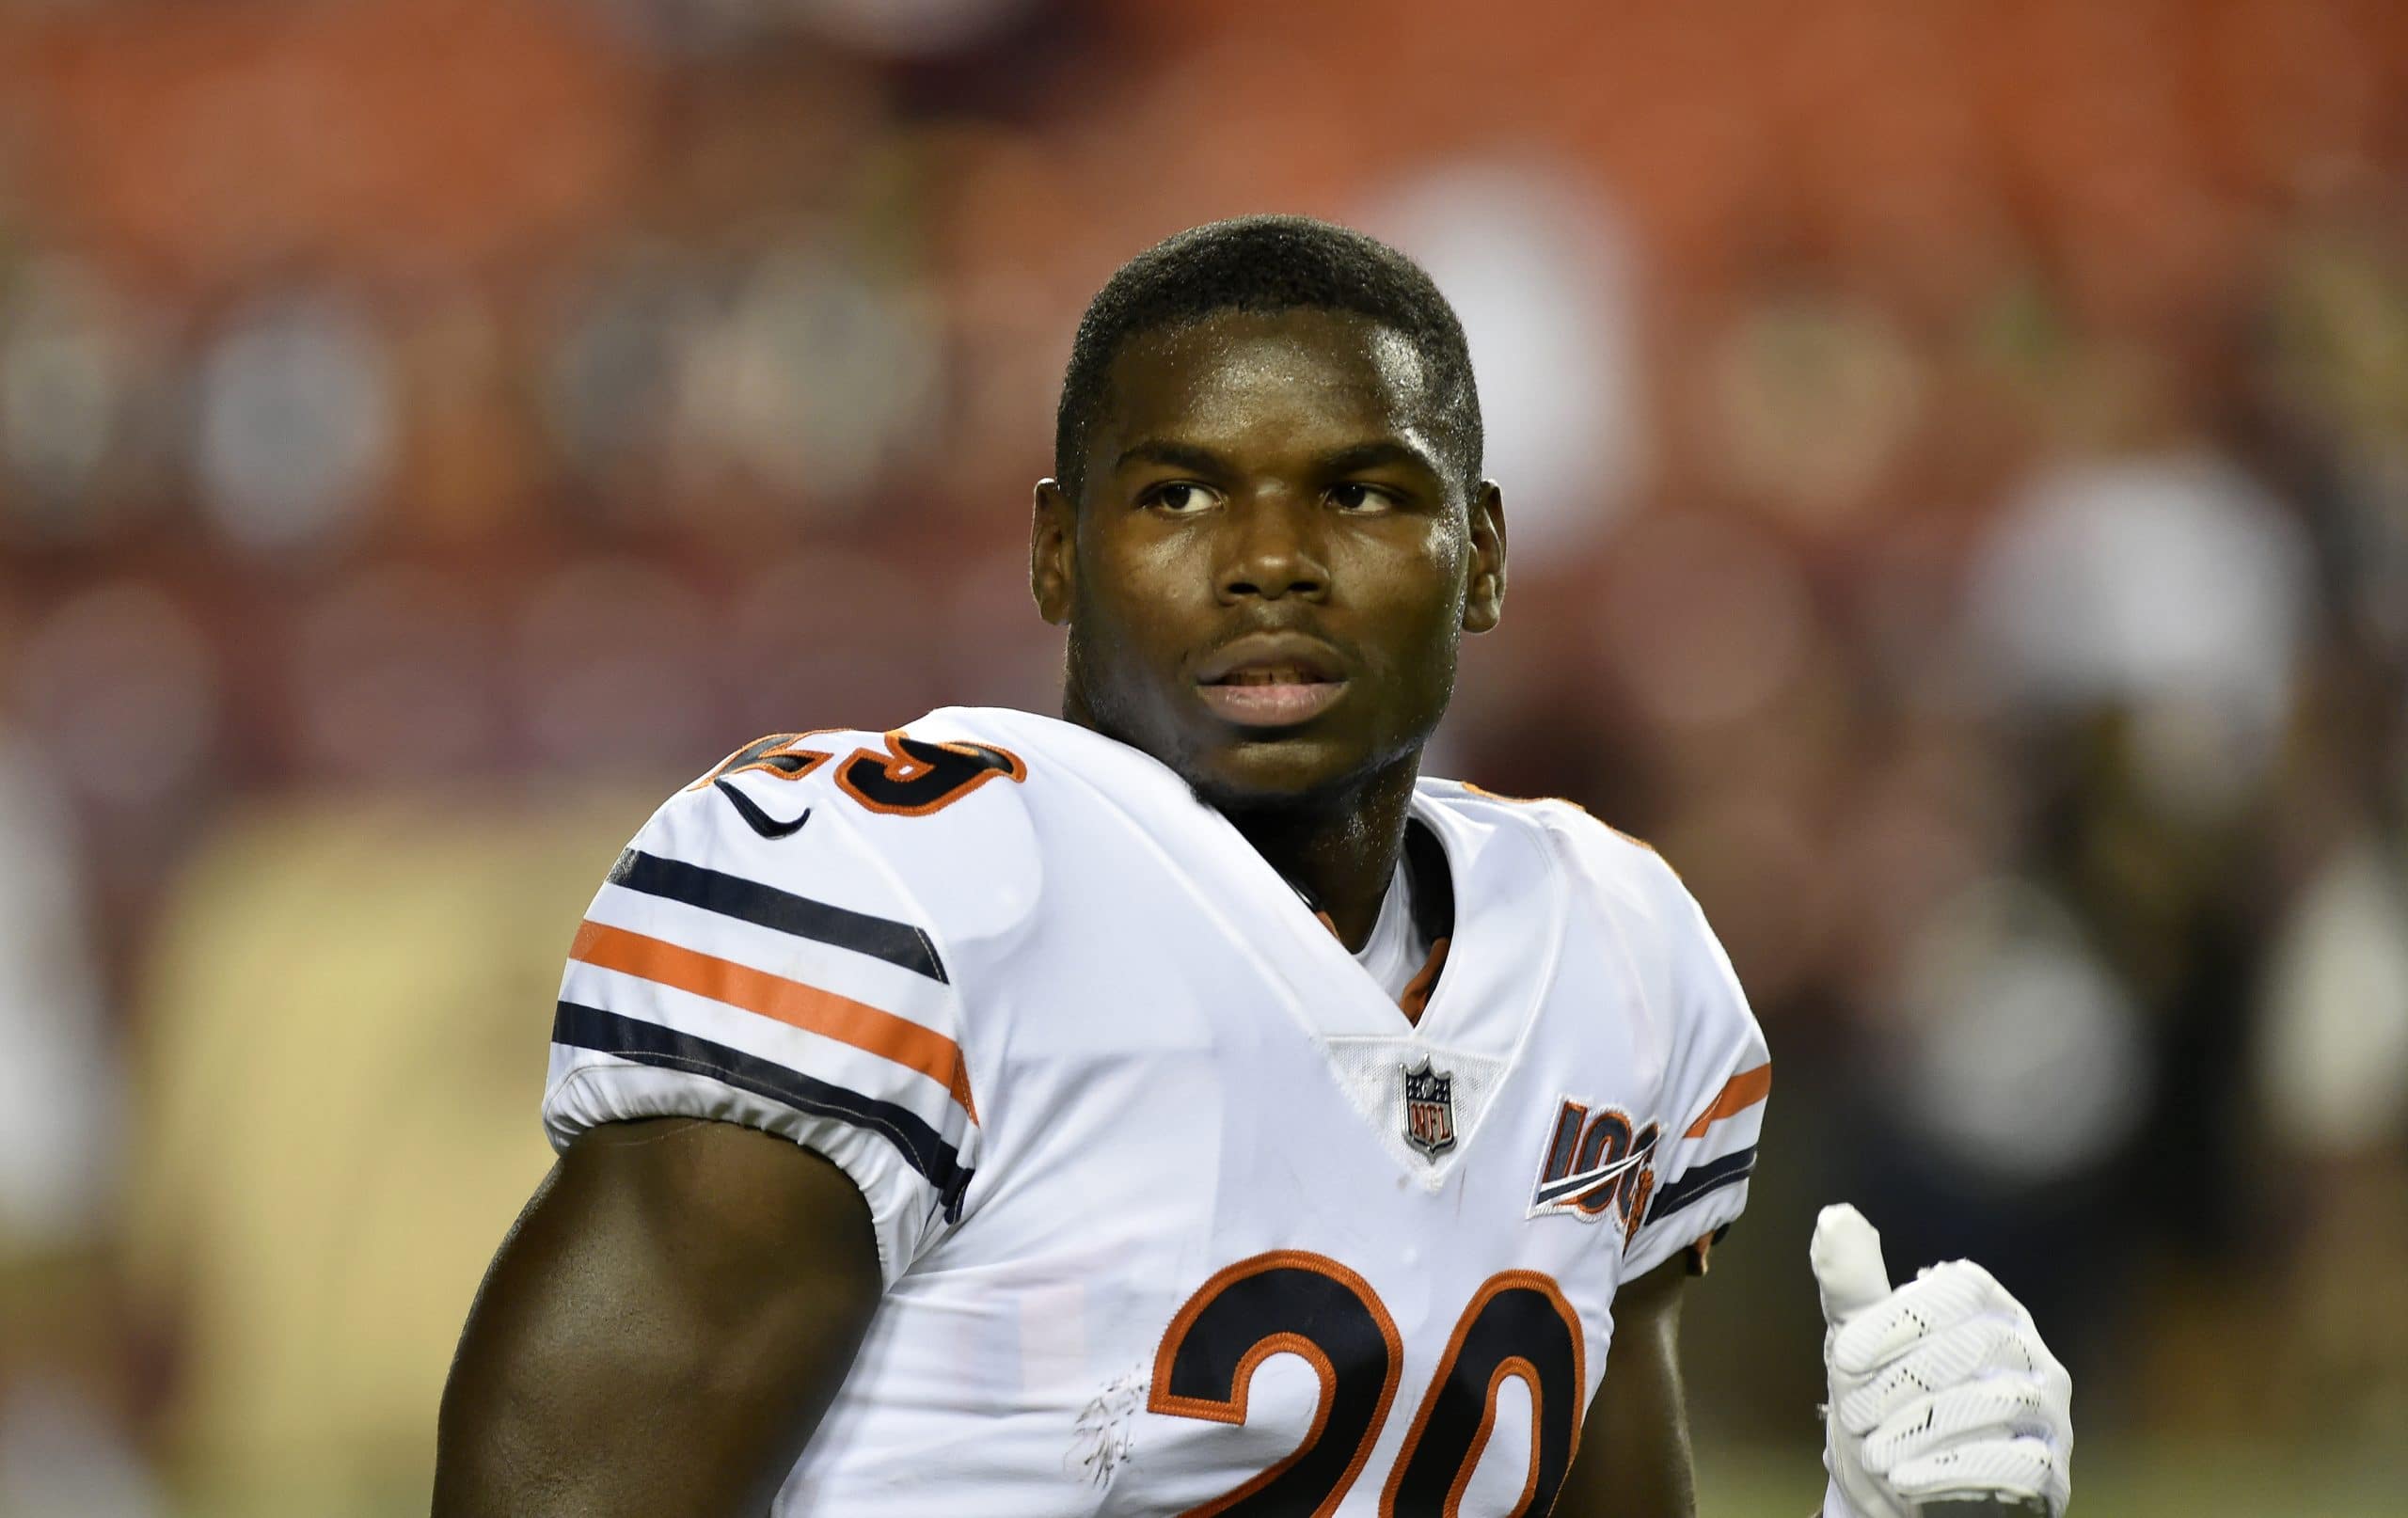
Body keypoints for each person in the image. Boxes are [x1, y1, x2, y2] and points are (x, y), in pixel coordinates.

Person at [433, 215, 2073, 1518]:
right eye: (1180, 495)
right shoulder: (915, 899)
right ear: (1059, 553)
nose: (1272, 561)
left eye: (1361, 493)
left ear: (1481, 554)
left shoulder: (1616, 953)